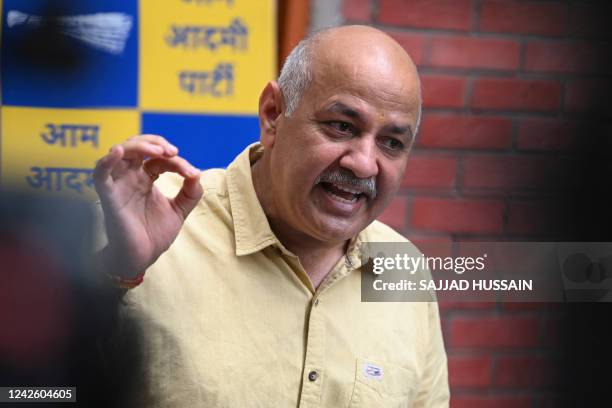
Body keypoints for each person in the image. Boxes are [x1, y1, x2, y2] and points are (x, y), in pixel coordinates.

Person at [93, 25, 449, 407]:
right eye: (342, 126)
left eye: (392, 143)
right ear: (273, 114)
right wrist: (115, 274)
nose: (364, 164)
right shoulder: (136, 233)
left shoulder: (403, 267)